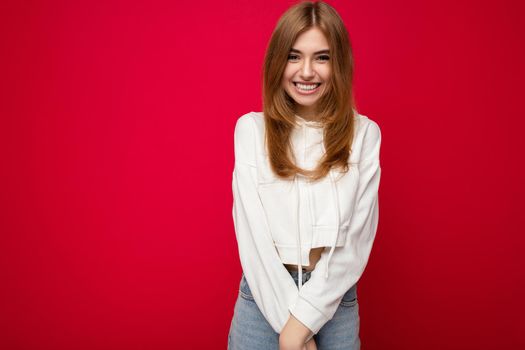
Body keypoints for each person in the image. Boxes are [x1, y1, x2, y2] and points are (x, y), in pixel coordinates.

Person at [227, 1, 382, 349]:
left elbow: (356, 242)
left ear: (339, 63)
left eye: (322, 57)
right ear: (277, 62)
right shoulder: (251, 130)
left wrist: (303, 322)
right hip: (262, 302)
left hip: (335, 305)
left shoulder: (364, 134)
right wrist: (290, 326)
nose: (307, 71)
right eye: (294, 56)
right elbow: (253, 240)